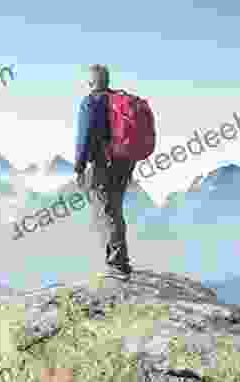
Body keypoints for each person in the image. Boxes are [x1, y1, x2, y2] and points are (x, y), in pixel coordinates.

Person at [74, 64, 141, 278]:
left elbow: (84, 137)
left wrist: (79, 166)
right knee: (115, 210)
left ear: (92, 81)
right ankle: (119, 260)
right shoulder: (118, 100)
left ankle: (117, 264)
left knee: (107, 212)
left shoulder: (91, 102)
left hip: (104, 164)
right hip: (125, 162)